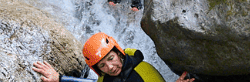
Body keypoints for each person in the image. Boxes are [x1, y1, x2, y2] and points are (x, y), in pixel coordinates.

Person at [32, 32, 194, 82]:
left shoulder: (142, 71)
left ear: (119, 53)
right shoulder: (105, 78)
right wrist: (59, 78)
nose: (109, 67)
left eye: (110, 59)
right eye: (102, 65)